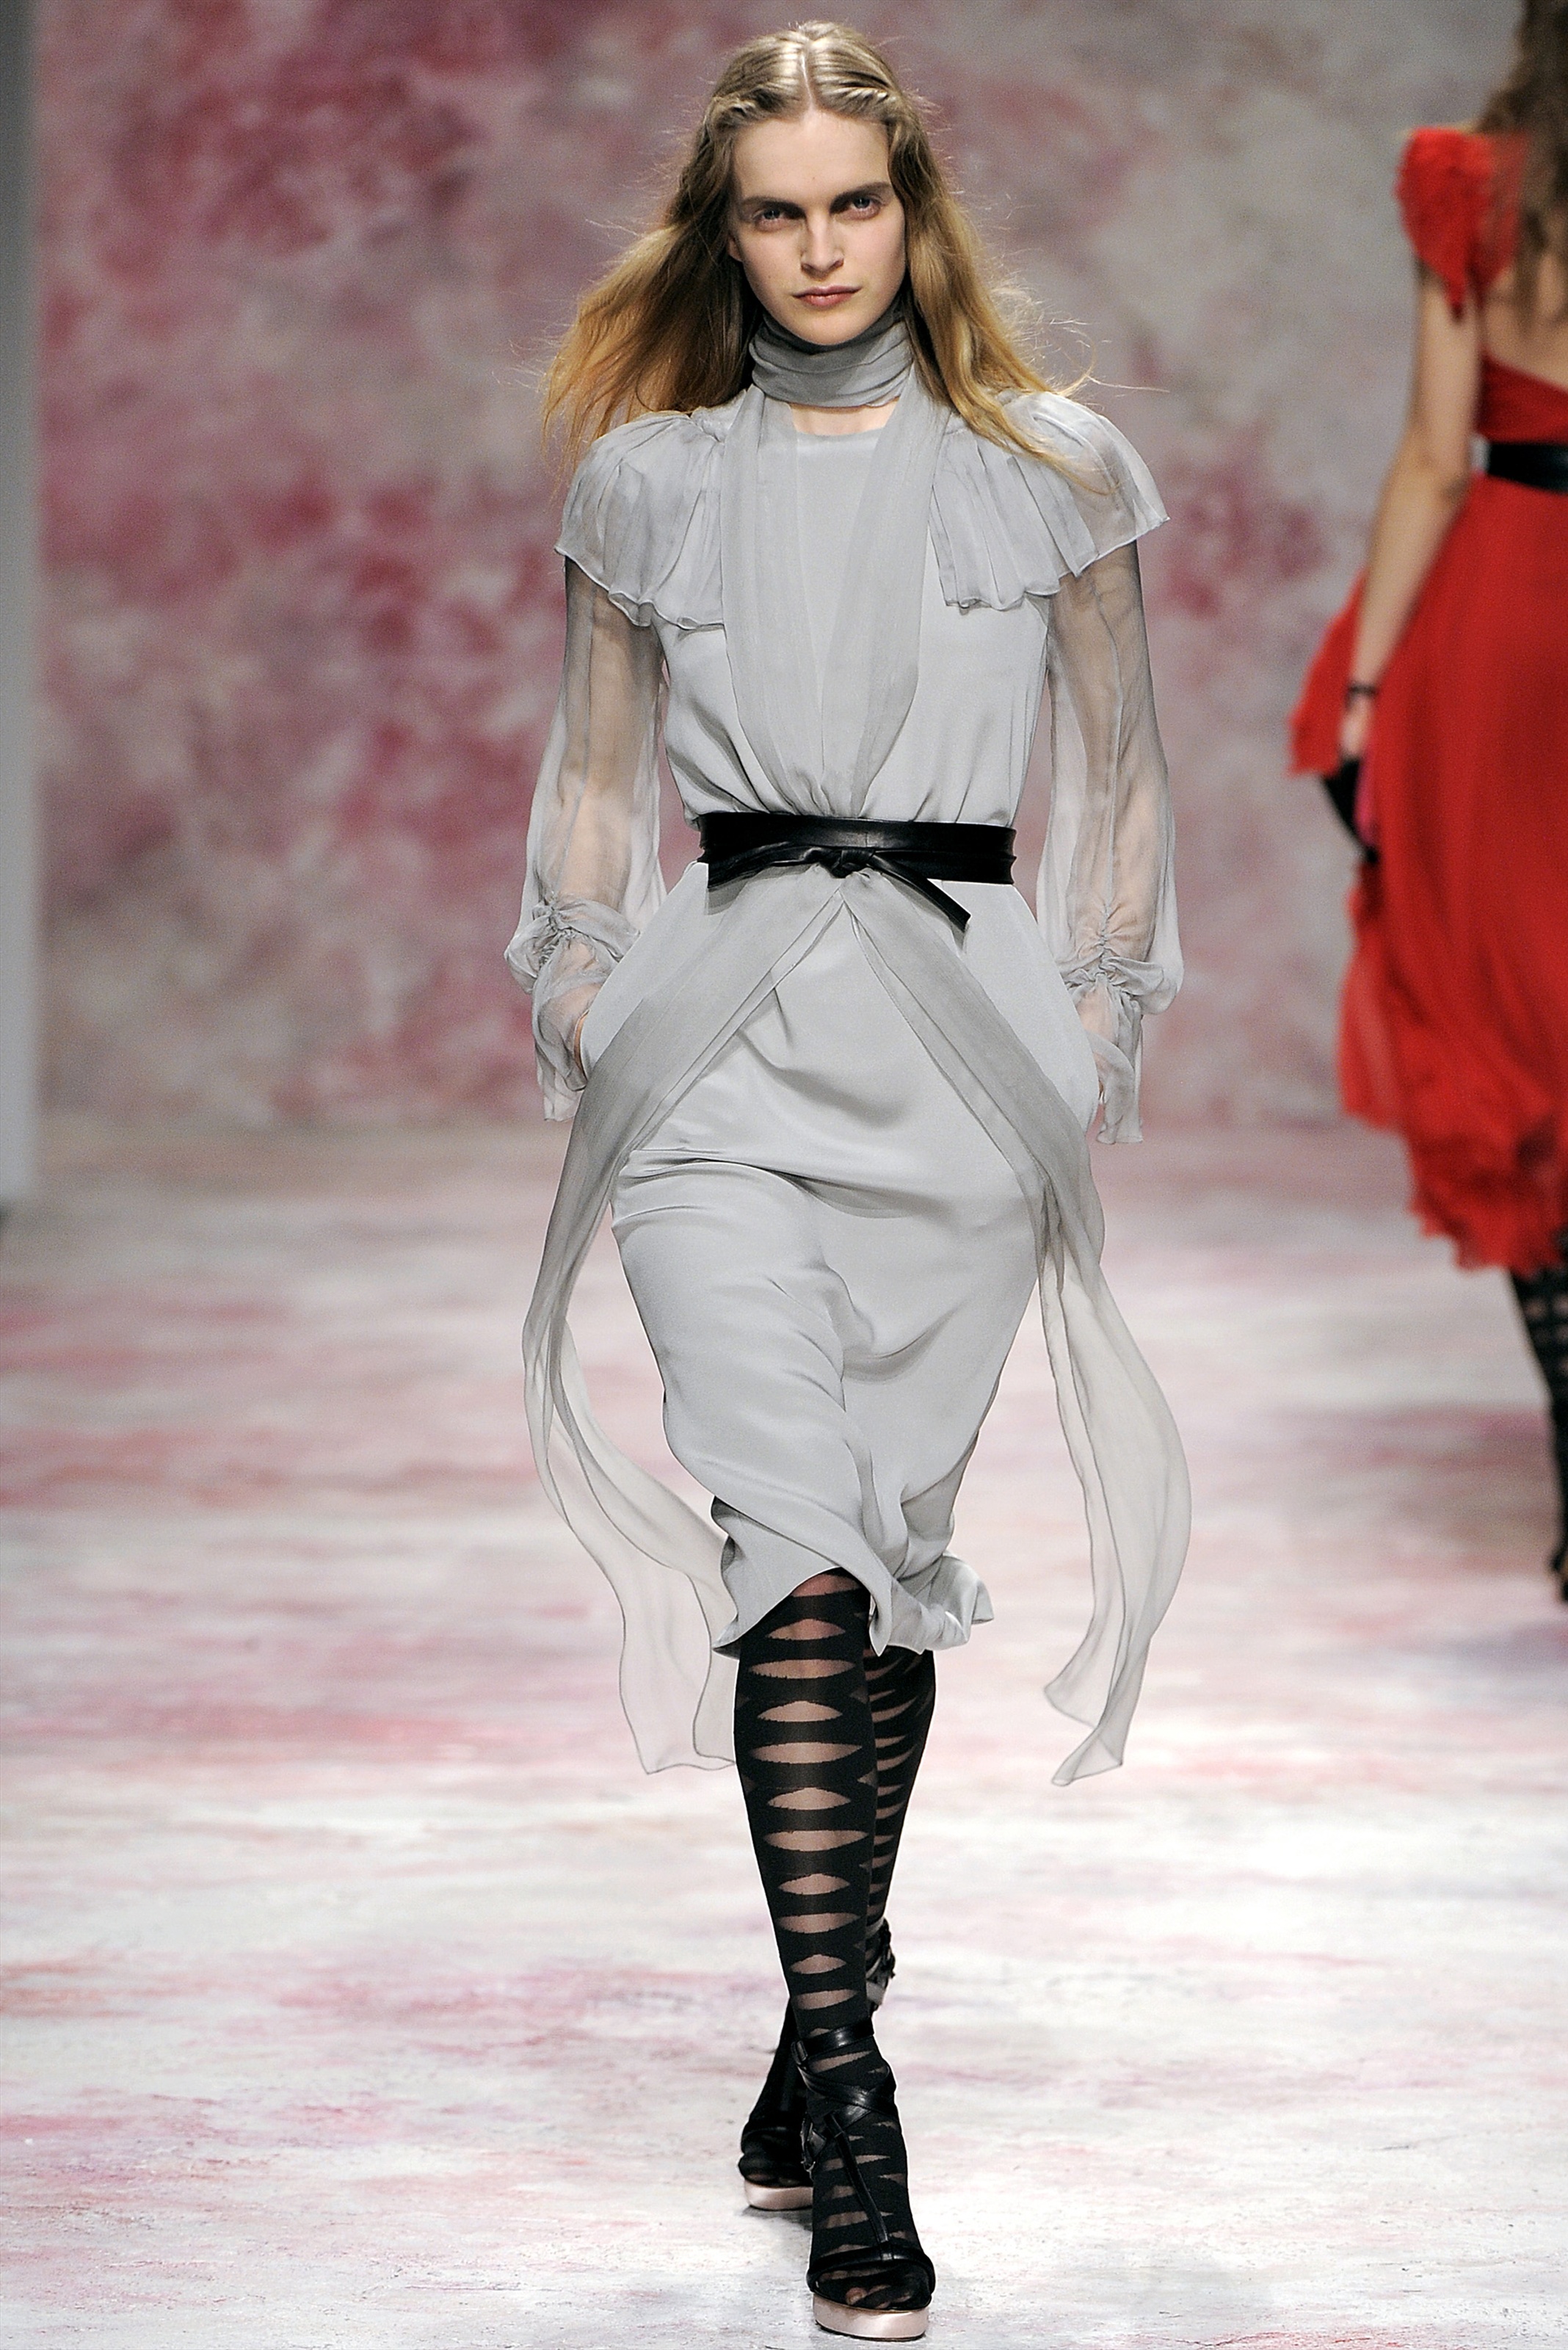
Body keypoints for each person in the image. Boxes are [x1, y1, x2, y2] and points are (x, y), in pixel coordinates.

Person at [508, 23, 1188, 2339]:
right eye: (776, 212)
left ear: (916, 213)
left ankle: (805, 2040)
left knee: (882, 1571)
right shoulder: (647, 485)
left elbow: (1122, 772)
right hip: (716, 1048)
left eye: (855, 204)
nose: (819, 250)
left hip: (960, 1057)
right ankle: (863, 2103)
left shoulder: (1053, 467)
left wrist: (1093, 1017)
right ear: (724, 234)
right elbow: (595, 771)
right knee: (789, 1545)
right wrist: (579, 975)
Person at [1292, 0, 1568, 1600]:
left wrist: (1367, 692)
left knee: (1517, 1033)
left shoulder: (1468, 184)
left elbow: (1433, 458)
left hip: (1504, 623)